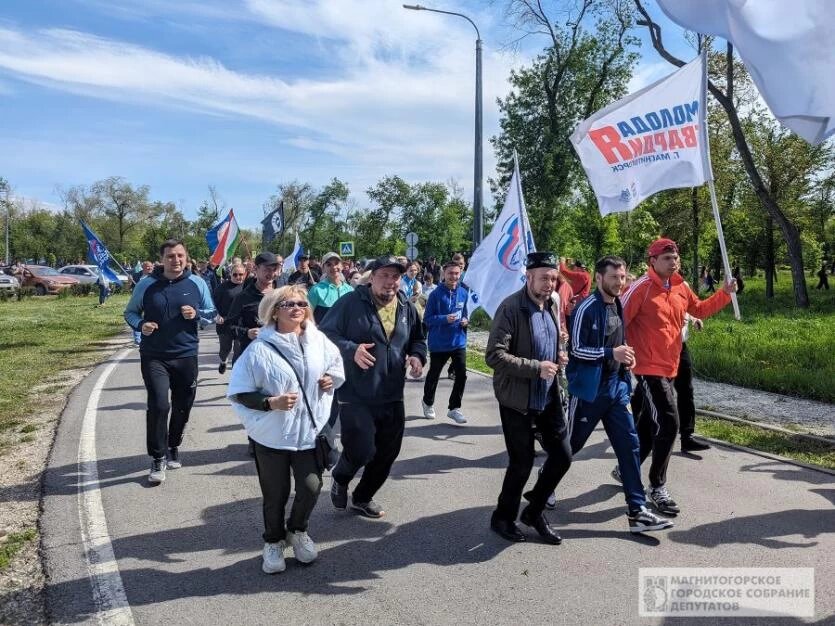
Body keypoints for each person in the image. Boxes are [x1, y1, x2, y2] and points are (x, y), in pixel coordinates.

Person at [227, 286, 345, 574]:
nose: (297, 308)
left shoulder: (319, 340)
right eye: (288, 303)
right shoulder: (259, 349)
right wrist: (270, 402)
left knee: (311, 486)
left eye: (301, 303)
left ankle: (298, 530)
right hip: (272, 436)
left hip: (308, 432)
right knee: (275, 494)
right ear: (274, 310)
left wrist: (331, 379)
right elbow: (240, 391)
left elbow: (336, 366)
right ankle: (273, 541)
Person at [622, 238, 736, 515]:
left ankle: (628, 468)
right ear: (653, 261)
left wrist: (724, 293)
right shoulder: (640, 288)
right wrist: (614, 357)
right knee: (670, 423)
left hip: (671, 365)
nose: (673, 262)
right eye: (666, 258)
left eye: (675, 257)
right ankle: (657, 486)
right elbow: (617, 320)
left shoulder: (681, 286)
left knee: (651, 426)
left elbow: (699, 310)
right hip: (648, 368)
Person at [565, 256, 674, 534]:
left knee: (630, 446)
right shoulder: (585, 308)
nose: (620, 282)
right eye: (614, 277)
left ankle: (637, 511)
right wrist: (609, 353)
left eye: (623, 277)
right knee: (570, 446)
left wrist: (627, 359)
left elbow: (621, 340)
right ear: (599, 278)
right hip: (589, 390)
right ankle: (546, 480)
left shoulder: (619, 305)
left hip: (616, 389)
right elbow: (576, 350)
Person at [319, 255, 427, 519]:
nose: (390, 282)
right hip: (356, 393)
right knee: (362, 449)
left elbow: (418, 339)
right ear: (372, 277)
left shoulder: (406, 307)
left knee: (388, 453)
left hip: (391, 393)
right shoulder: (350, 303)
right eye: (384, 275)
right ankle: (341, 476)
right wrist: (350, 349)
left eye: (395, 276)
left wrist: (417, 356)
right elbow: (324, 335)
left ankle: (363, 497)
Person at [484, 252, 570, 545]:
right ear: (529, 277)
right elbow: (494, 355)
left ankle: (533, 511)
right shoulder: (510, 308)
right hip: (516, 398)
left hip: (547, 394)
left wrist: (558, 354)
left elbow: (551, 339)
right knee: (521, 464)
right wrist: (536, 367)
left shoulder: (554, 303)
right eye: (544, 277)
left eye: (553, 278)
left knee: (562, 456)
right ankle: (502, 517)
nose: (549, 283)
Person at [123, 239, 215, 484]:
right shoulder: (146, 284)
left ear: (187, 257)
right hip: (154, 355)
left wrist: (197, 315)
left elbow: (211, 314)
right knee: (160, 404)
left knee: (183, 405)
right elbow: (130, 313)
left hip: (186, 355)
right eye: (171, 256)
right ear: (161, 260)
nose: (176, 260)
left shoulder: (197, 283)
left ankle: (173, 444)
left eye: (180, 255)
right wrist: (142, 325)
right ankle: (157, 457)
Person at [421, 261, 470, 425]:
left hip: (458, 342)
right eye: (450, 273)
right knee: (434, 375)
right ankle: (427, 402)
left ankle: (454, 408)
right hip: (439, 343)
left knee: (461, 375)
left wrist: (465, 321)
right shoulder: (435, 295)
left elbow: (465, 314)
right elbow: (427, 319)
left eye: (457, 273)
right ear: (444, 274)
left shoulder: (463, 292)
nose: (454, 277)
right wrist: (444, 319)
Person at [226, 252, 283, 365]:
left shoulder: (283, 294)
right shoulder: (243, 297)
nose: (271, 273)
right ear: (255, 269)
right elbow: (229, 327)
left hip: (279, 356)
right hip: (253, 357)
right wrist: (247, 333)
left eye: (274, 269)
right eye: (267, 269)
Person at [676, 312, 709, 453]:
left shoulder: (684, 288)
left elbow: (691, 306)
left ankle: (687, 437)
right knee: (653, 392)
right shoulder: (654, 289)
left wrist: (695, 318)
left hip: (680, 346)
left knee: (686, 391)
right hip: (659, 348)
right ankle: (639, 431)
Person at [213, 263, 246, 374]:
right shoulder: (222, 288)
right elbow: (213, 304)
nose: (238, 277)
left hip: (241, 324)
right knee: (224, 350)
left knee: (238, 350)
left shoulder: (248, 287)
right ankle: (223, 361)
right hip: (225, 323)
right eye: (235, 275)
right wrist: (217, 315)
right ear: (230, 275)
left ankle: (235, 375)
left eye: (241, 274)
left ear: (245, 274)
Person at [306, 252, 353, 324]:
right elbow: (307, 316)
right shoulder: (316, 290)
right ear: (323, 268)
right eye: (329, 264)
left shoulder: (350, 290)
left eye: (336, 263)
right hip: (323, 334)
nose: (333, 267)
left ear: (342, 266)